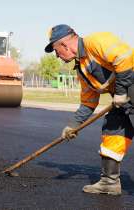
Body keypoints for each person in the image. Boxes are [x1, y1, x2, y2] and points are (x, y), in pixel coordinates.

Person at [44, 24, 134, 195]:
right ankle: (109, 182)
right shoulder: (82, 68)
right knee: (112, 130)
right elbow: (88, 102)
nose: (57, 56)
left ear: (64, 45)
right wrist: (73, 125)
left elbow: (124, 57)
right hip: (122, 100)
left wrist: (121, 92)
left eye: (56, 50)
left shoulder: (96, 41)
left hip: (130, 89)